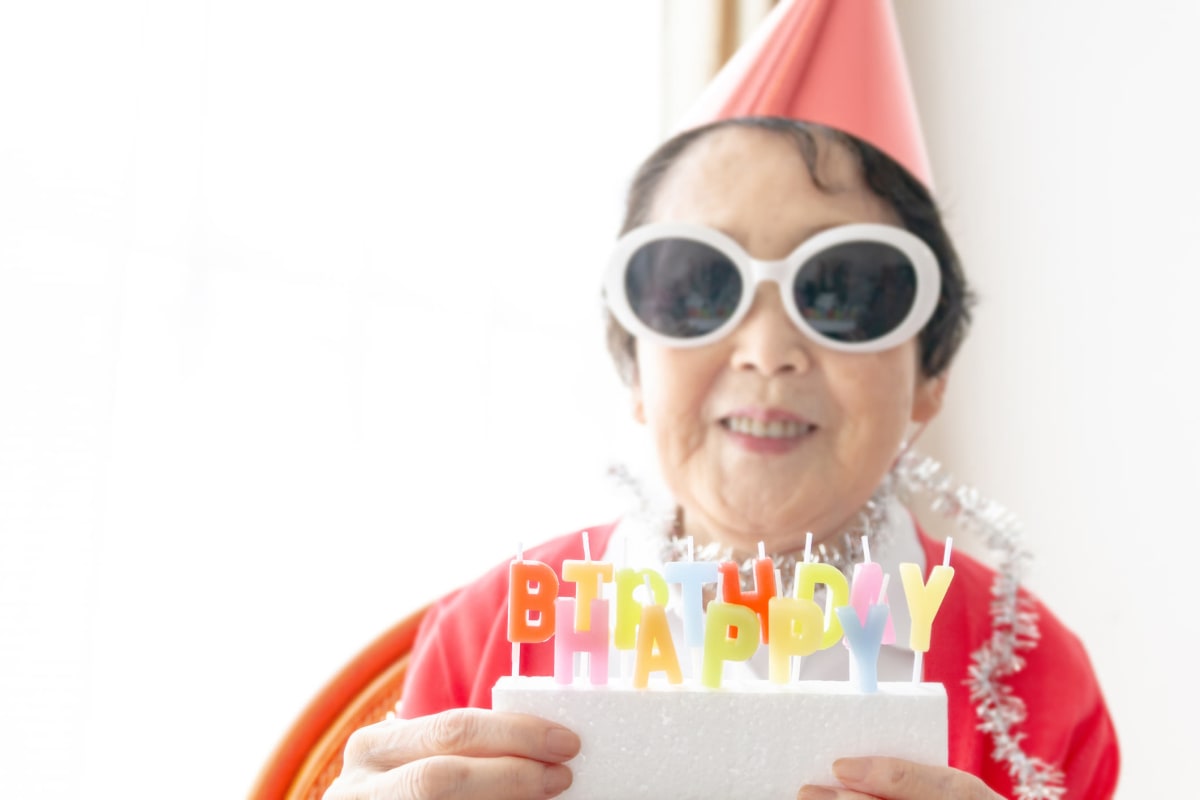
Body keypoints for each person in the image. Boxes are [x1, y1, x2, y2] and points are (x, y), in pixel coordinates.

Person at [322, 3, 1119, 799]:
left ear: (931, 374)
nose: (767, 351)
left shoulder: (1029, 679)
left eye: (841, 291)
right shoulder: (491, 632)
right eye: (701, 286)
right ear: (636, 367)